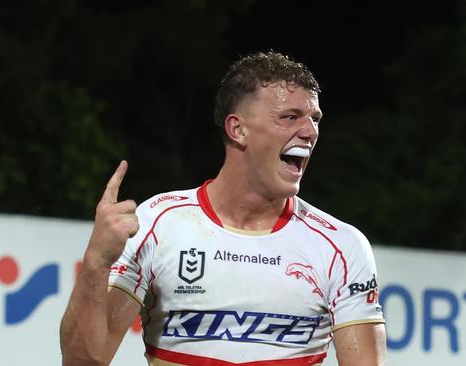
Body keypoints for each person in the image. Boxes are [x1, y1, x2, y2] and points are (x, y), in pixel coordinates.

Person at [60, 51, 386, 366]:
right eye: (290, 117)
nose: (310, 131)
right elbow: (83, 361)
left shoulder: (341, 247)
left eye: (314, 119)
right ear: (237, 129)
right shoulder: (157, 223)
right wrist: (96, 262)